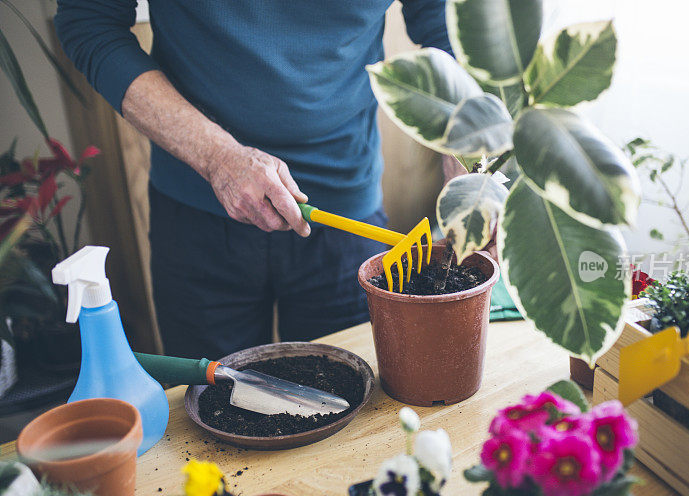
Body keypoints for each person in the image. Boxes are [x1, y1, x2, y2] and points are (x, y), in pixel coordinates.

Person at [54, 1, 452, 359]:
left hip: (346, 218)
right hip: (196, 214)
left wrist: (470, 157)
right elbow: (89, 21)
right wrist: (215, 155)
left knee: (355, 414)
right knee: (210, 410)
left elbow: (449, 28)